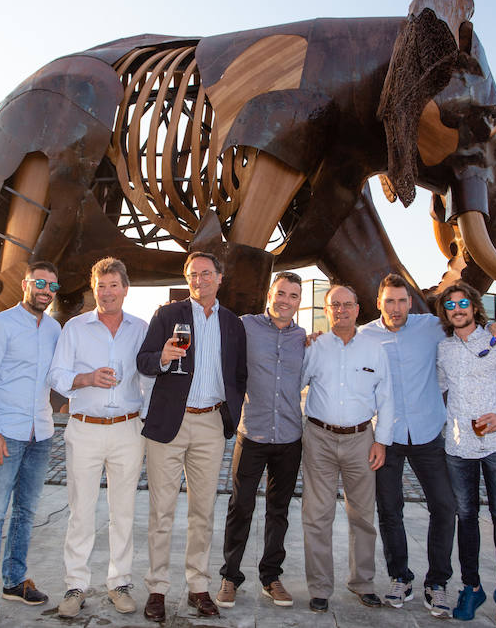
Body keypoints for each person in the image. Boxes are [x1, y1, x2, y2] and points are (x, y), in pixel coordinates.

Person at [136, 251, 247, 622]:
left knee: (203, 512)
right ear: (187, 280)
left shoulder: (233, 323)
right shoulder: (168, 315)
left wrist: (230, 413)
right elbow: (144, 360)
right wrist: (163, 358)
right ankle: (157, 589)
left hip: (211, 425)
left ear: (220, 278)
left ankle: (198, 586)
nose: (199, 280)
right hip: (170, 422)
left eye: (206, 273)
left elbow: (239, 374)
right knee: (161, 512)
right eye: (192, 274)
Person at [47, 258, 148, 618]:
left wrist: (147, 423)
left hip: (127, 429)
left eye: (114, 285)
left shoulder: (141, 328)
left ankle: (119, 583)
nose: (107, 293)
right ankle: (75, 585)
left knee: (123, 511)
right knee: (81, 511)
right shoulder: (74, 328)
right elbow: (57, 376)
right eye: (101, 286)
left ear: (125, 288)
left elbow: (148, 380)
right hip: (84, 428)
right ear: (94, 289)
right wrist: (87, 379)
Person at [0, 261, 62, 626]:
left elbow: (58, 377)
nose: (45, 290)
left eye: (52, 285)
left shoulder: (55, 329)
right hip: (4, 433)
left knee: (26, 512)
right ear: (26, 284)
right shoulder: (0, 325)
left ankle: (15, 580)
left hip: (41, 432)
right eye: (40, 282)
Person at [436, 281, 496, 628]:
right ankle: (471, 586)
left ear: (474, 307)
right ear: (445, 313)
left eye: (463, 303)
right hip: (459, 447)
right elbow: (436, 388)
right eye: (451, 306)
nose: (458, 309)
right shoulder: (444, 349)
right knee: (466, 517)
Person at [359, 274, 458, 617]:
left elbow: (468, 321)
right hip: (385, 439)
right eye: (389, 301)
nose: (396, 308)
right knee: (389, 510)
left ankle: (438, 582)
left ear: (411, 302)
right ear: (378, 302)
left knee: (445, 506)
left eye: (402, 301)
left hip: (429, 433)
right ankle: (400, 576)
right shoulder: (364, 336)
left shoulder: (431, 326)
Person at [300, 284, 394, 613]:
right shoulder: (314, 347)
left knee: (363, 517)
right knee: (317, 516)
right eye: (334, 305)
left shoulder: (374, 349)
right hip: (319, 439)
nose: (341, 310)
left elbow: (386, 397)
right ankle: (320, 587)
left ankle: (363, 582)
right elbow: (293, 382)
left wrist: (381, 440)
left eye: (347, 305)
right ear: (326, 311)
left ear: (357, 308)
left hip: (361, 441)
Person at [215, 272, 306, 609]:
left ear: (299, 301)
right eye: (280, 293)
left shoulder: (304, 338)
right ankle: (230, 576)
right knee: (241, 506)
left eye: (293, 296)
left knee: (278, 511)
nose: (285, 300)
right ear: (270, 295)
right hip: (250, 433)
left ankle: (271, 577)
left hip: (289, 437)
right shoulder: (245, 326)